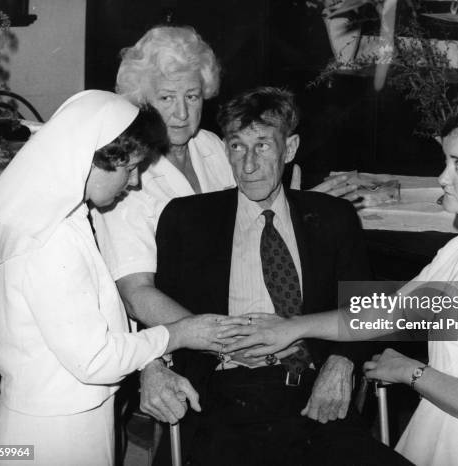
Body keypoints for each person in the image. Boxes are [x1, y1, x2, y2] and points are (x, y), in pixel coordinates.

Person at [222, 109, 458, 466]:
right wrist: (293, 327)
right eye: (446, 162)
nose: (442, 177)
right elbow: (391, 312)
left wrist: (408, 370)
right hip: (447, 421)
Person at [90, 25, 361, 420]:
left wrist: (310, 210)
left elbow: (260, 215)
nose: (182, 113)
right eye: (166, 98)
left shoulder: (213, 147)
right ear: (142, 102)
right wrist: (229, 340)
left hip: (262, 335)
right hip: (173, 342)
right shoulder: (129, 176)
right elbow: (135, 295)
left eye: (192, 96)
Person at [0, 90, 245, 466]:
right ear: (93, 159)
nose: (134, 181)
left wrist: (150, 360)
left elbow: (101, 316)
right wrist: (180, 332)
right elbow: (96, 358)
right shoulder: (48, 240)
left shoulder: (68, 218)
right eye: (129, 167)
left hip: (75, 417)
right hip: (52, 434)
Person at [149, 87, 410, 465]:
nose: (248, 165)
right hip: (222, 397)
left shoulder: (332, 217)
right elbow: (158, 319)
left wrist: (341, 363)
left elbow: (366, 310)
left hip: (311, 393)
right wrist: (152, 365)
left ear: (290, 149)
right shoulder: (187, 219)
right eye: (237, 147)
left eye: (263, 147)